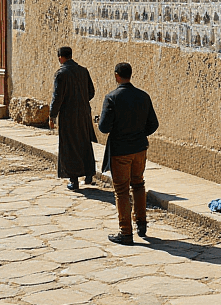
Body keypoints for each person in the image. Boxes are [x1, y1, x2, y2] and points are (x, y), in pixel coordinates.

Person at [98, 62, 159, 245]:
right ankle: (141, 223)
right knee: (138, 184)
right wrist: (139, 134)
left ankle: (125, 231)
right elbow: (153, 124)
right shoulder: (143, 96)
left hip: (121, 150)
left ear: (117, 75)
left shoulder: (111, 98)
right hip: (140, 149)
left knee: (122, 190)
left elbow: (103, 127)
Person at [49, 46, 97, 191]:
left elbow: (57, 97)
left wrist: (52, 115)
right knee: (84, 142)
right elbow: (91, 92)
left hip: (68, 115)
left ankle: (73, 180)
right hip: (83, 113)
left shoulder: (61, 74)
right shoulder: (83, 71)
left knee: (69, 145)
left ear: (60, 57)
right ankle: (89, 174)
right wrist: (81, 101)